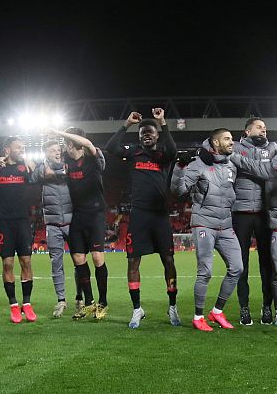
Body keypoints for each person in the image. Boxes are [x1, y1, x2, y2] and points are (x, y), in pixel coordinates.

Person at [103, 108, 180, 329]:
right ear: (139, 136)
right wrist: (127, 124)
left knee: (168, 260)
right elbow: (111, 147)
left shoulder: (164, 155)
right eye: (142, 132)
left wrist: (162, 122)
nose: (146, 135)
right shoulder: (133, 153)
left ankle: (172, 306)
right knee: (133, 261)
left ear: (157, 135)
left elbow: (173, 150)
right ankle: (137, 309)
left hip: (160, 215)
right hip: (138, 215)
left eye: (150, 132)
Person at [171, 129, 244, 331]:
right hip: (204, 223)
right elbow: (178, 190)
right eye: (227, 139)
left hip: (226, 225)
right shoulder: (198, 164)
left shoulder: (231, 164)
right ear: (216, 142)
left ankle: (217, 312)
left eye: (232, 139)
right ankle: (198, 316)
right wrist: (180, 167)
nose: (232, 142)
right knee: (205, 272)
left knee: (237, 268)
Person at [49, 127, 108, 320]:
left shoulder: (92, 158)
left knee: (97, 258)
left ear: (71, 143)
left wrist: (60, 132)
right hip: (78, 215)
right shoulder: (67, 161)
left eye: (67, 143)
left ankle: (103, 303)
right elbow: (47, 161)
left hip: (96, 214)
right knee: (78, 259)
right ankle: (89, 304)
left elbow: (88, 144)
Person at [231, 117, 277, 325]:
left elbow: (268, 172)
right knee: (241, 264)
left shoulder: (274, 149)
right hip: (240, 212)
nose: (263, 130)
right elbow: (209, 143)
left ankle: (267, 306)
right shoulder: (234, 146)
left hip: (264, 212)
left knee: (267, 263)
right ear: (247, 131)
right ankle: (244, 307)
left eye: (265, 128)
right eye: (259, 127)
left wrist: (239, 161)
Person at [0, 136, 36, 323]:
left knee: (26, 261)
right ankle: (14, 305)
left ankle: (27, 304)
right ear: (7, 150)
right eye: (18, 147)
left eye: (23, 147)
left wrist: (29, 162)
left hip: (23, 220)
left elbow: (37, 174)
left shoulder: (26, 167)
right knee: (7, 264)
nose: (21, 150)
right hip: (4, 222)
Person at [32, 140, 77, 318]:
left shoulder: (69, 167)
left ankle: (80, 298)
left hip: (72, 222)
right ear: (45, 153)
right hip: (52, 224)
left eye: (58, 150)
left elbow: (65, 173)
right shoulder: (41, 169)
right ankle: (61, 300)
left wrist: (54, 169)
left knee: (79, 261)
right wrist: (44, 165)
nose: (57, 153)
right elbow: (35, 177)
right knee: (56, 264)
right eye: (53, 150)